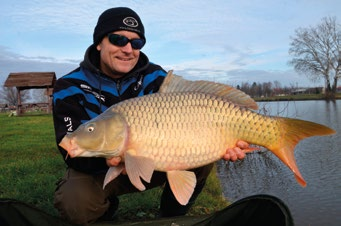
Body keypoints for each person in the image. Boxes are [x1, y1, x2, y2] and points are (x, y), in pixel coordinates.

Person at [52, 7, 249, 225]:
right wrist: (113, 159)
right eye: (118, 39)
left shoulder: (156, 77)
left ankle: (171, 216)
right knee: (74, 199)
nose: (128, 49)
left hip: (154, 161)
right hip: (100, 168)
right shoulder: (68, 86)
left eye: (136, 43)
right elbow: (69, 148)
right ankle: (105, 209)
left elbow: (190, 118)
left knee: (201, 156)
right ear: (99, 43)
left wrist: (223, 140)